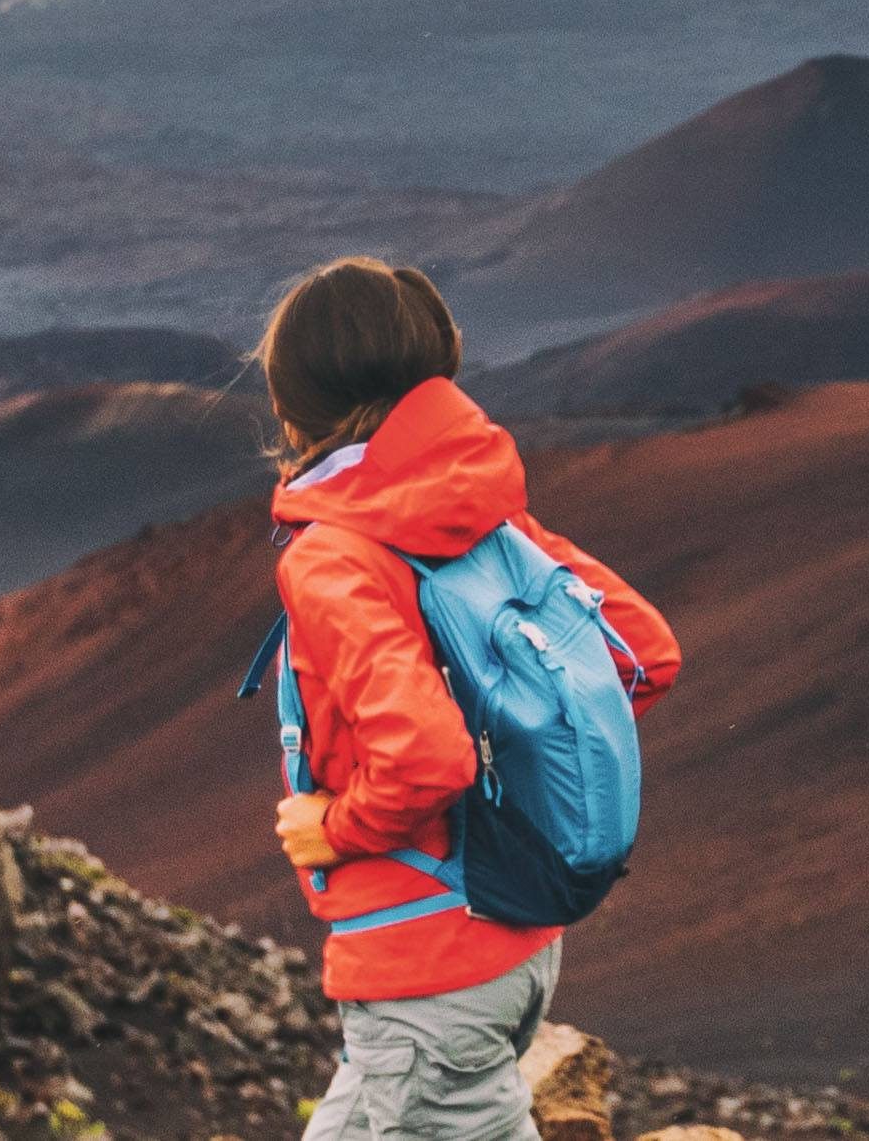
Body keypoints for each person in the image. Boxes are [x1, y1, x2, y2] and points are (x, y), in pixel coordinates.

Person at [255, 257, 681, 1140]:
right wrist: (516, 757)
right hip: (512, 939)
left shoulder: (333, 556)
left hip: (424, 966)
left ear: (294, 409)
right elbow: (638, 650)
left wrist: (331, 828)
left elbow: (427, 756)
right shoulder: (478, 510)